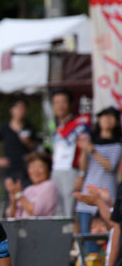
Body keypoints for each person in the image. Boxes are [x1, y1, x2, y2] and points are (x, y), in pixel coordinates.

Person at [5, 152, 58, 266]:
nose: (35, 171)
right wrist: (13, 197)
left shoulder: (49, 187)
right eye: (32, 167)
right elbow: (11, 215)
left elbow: (34, 210)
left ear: (47, 169)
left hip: (39, 245)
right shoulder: (27, 191)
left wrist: (18, 194)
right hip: (23, 246)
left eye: (39, 166)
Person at [75, 106, 122, 254]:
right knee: (87, 238)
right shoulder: (91, 141)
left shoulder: (118, 145)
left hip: (106, 197)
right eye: (104, 116)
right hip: (87, 194)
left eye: (111, 117)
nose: (107, 120)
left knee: (108, 236)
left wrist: (92, 150)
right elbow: (83, 167)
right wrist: (84, 149)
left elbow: (110, 166)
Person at [49, 88, 91, 218]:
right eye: (56, 103)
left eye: (63, 102)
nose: (59, 106)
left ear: (70, 104)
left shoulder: (80, 125)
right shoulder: (57, 126)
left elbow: (85, 150)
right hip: (56, 172)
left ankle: (72, 239)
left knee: (70, 213)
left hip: (71, 172)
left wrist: (81, 174)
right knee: (57, 211)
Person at [0, 98, 38, 189]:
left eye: (23, 108)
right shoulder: (5, 127)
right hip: (10, 170)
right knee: (10, 197)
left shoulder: (29, 127)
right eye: (18, 108)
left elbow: (36, 147)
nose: (20, 111)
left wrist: (28, 142)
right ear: (12, 110)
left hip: (26, 170)